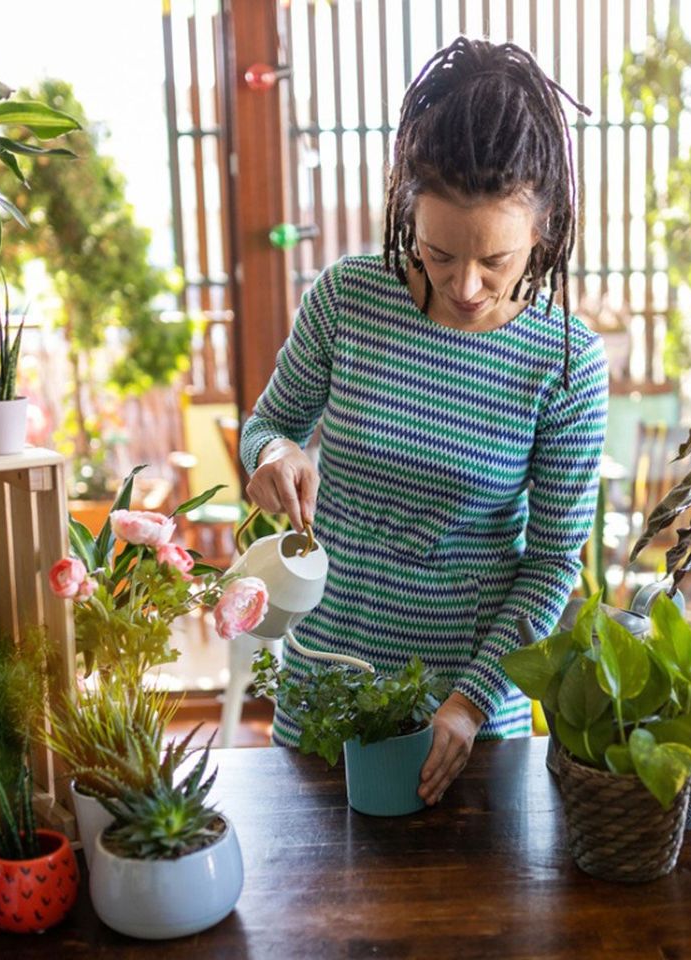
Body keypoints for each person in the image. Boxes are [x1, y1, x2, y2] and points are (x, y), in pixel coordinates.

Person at [240, 37, 608, 804]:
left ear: (544, 229)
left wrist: (471, 703)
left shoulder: (567, 361)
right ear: (408, 211)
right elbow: (267, 424)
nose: (465, 285)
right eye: (439, 253)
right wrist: (276, 453)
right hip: (324, 683)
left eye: (495, 261)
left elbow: (550, 566)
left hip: (463, 719)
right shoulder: (348, 299)